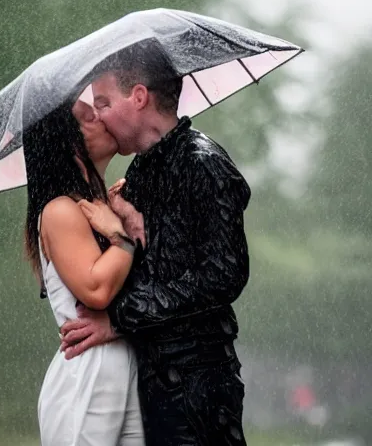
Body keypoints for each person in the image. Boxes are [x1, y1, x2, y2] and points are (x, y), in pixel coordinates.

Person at [60, 46, 252, 445]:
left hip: (199, 383)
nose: (101, 117)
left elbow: (222, 276)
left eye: (104, 102)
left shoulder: (204, 164)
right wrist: (118, 212)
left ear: (140, 97)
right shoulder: (141, 172)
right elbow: (144, 267)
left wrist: (120, 319)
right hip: (150, 376)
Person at [23, 100, 145, 446]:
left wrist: (124, 218)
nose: (100, 115)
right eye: (86, 116)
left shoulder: (106, 207)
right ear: (67, 141)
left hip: (128, 362)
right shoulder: (61, 209)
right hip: (88, 368)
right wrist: (123, 238)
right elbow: (97, 289)